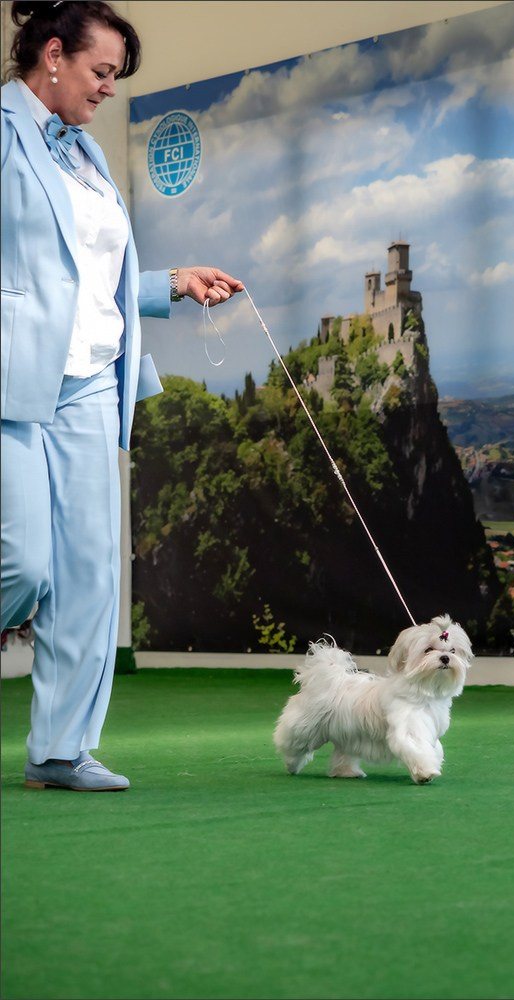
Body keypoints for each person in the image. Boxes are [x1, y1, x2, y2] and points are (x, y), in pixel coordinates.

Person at [1, 0, 245, 791]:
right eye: (101, 71)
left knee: (88, 574)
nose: (109, 89)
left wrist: (169, 283)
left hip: (90, 385)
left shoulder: (87, 156)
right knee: (23, 563)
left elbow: (86, 274)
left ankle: (59, 750)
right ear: (52, 56)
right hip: (12, 379)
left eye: (115, 77)